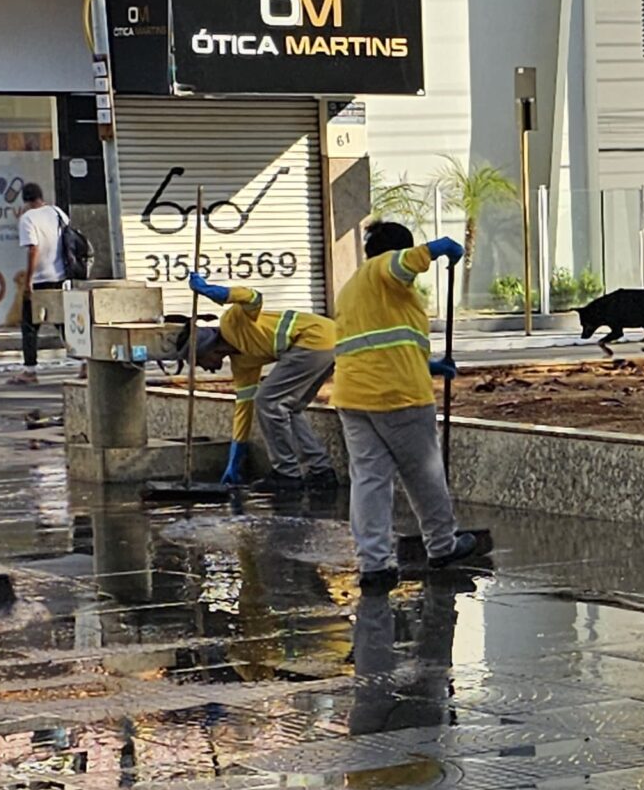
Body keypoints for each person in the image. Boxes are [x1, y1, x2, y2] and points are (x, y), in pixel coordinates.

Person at [332, 219, 490, 592]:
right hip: (397, 396)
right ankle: (442, 545)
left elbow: (378, 341)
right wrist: (435, 250)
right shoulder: (383, 270)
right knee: (424, 473)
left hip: (354, 397)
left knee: (370, 480)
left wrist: (427, 364)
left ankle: (375, 564)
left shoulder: (353, 287)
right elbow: (401, 263)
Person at [186, 271, 340, 493]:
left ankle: (287, 473)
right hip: (325, 341)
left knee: (268, 401)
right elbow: (244, 409)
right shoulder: (242, 364)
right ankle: (321, 471)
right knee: (290, 407)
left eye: (199, 360)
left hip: (313, 339)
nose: (203, 367)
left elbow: (252, 297)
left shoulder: (231, 322)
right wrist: (235, 457)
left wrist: (215, 292)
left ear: (208, 347)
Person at [13, 182, 68, 382]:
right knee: (64, 323)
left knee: (29, 325)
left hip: (40, 279)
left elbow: (33, 249)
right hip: (60, 276)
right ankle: (83, 364)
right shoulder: (58, 213)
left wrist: (28, 280)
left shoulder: (27, 218)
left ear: (25, 200)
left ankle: (30, 371)